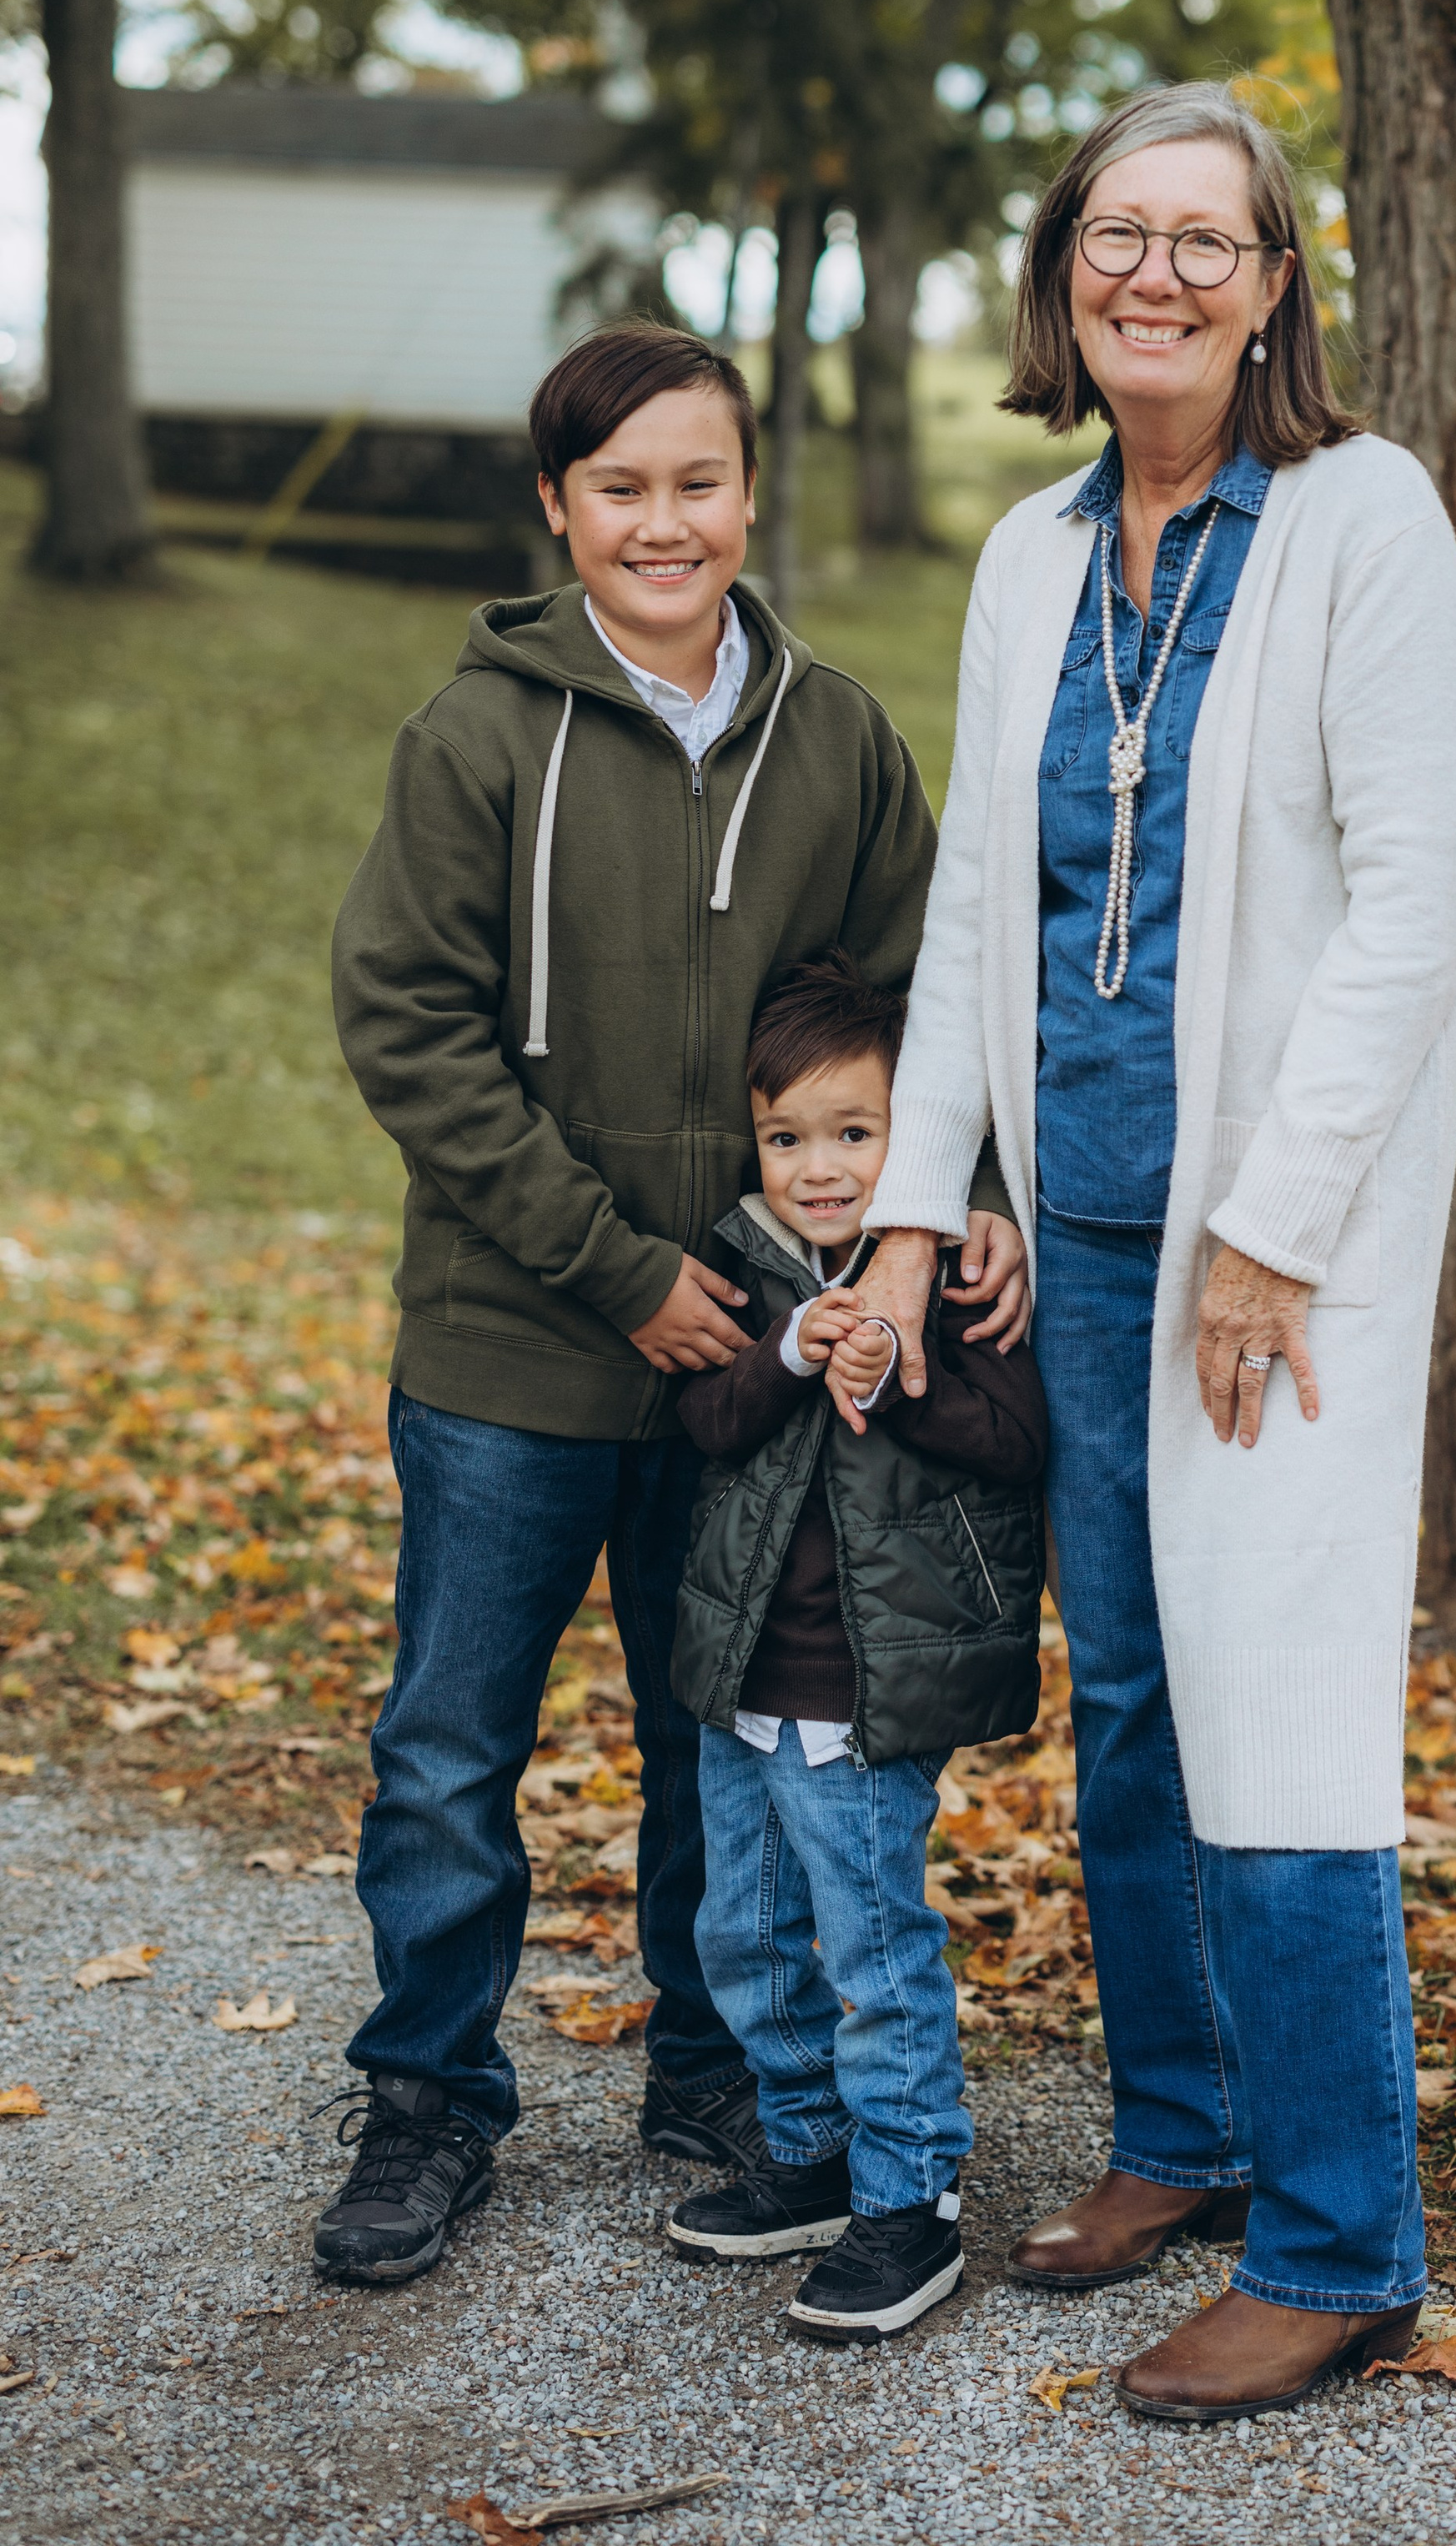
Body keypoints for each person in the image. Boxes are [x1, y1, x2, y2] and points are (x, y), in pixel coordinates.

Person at [851, 83, 1456, 2418]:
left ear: (1274, 284)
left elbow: (1414, 897)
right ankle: (1185, 2128)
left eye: (1205, 241)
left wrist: (1270, 1232)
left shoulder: (1359, 516)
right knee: (1128, 1693)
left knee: (1278, 1704)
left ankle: (1338, 2241)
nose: (1156, 275)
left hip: (1274, 1252)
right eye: (1118, 233)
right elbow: (974, 910)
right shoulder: (1030, 554)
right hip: (1082, 1238)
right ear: (1064, 271)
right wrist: (918, 1203)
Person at [319, 322, 1026, 2287]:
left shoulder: (837, 741)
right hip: (517, 1344)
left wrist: (949, 1205)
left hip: (763, 1363)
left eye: (697, 482)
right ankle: (428, 2094)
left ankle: (729, 2077)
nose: (662, 521)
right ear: (557, 508)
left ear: (747, 494)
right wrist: (621, 1269)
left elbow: (922, 1015)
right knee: (450, 1744)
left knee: (722, 1730)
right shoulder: (476, 740)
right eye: (618, 487)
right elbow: (407, 1021)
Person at [659, 953, 1048, 2343]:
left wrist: (901, 1372)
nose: (817, 1168)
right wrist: (789, 1354)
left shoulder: (958, 1271)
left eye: (854, 1132)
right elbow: (705, 1422)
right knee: (745, 1932)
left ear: (914, 1137)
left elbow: (1019, 1440)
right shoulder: (744, 1260)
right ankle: (811, 2149)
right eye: (786, 1137)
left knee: (873, 1951)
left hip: (864, 1687)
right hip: (742, 1677)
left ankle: (909, 2197)